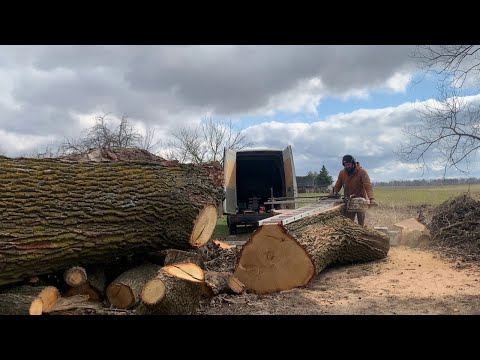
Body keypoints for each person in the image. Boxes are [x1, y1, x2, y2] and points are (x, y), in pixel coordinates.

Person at [332, 154, 378, 226]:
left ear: (353, 163)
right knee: (349, 223)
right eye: (345, 165)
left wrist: (371, 198)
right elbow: (337, 186)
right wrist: (333, 194)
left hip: (360, 201)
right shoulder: (342, 173)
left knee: (361, 223)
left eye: (348, 164)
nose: (346, 167)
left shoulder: (362, 172)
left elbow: (368, 185)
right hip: (348, 201)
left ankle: (361, 233)